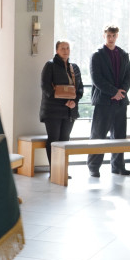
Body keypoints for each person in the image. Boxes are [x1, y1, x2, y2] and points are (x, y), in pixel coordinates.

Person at [88, 24, 130, 177]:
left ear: (117, 36)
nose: (111, 38)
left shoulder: (123, 54)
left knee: (119, 136)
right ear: (104, 36)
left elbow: (129, 76)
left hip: (120, 102)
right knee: (98, 135)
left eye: (113, 36)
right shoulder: (97, 55)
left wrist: (121, 92)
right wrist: (114, 92)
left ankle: (118, 166)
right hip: (103, 102)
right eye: (108, 35)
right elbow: (96, 79)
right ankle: (94, 167)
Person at [40, 40, 83, 168]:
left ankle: (62, 171)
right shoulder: (50, 65)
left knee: (65, 140)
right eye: (62, 48)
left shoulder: (74, 67)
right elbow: (46, 87)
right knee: (54, 139)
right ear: (57, 50)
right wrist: (65, 101)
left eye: (67, 48)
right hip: (53, 111)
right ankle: (54, 170)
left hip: (70, 111)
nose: (66, 51)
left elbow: (80, 88)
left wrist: (74, 101)